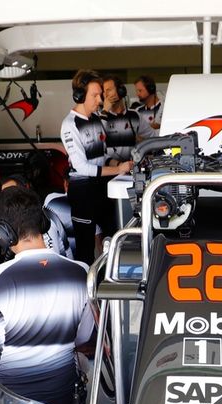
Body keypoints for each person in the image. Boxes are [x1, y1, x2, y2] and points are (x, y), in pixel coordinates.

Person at [0, 186, 94, 404]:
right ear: (44, 223)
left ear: (2, 232)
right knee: (79, 360)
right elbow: (83, 337)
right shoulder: (82, 272)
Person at [61, 69, 132, 264]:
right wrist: (118, 169)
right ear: (79, 95)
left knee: (114, 236)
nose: (100, 100)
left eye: (100, 94)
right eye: (95, 95)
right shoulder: (70, 124)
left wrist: (122, 164)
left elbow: (103, 154)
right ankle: (85, 289)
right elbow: (82, 167)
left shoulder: (96, 120)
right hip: (83, 191)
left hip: (102, 187)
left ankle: (109, 280)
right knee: (84, 247)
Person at [99, 76, 141, 164]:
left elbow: (152, 135)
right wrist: (105, 111)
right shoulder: (100, 116)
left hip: (131, 168)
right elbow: (97, 137)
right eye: (103, 91)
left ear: (120, 91)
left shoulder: (134, 115)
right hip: (108, 169)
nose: (106, 95)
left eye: (109, 90)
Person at [133, 75, 163, 141]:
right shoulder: (137, 111)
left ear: (151, 89)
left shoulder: (164, 107)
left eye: (140, 91)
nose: (137, 94)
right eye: (137, 91)